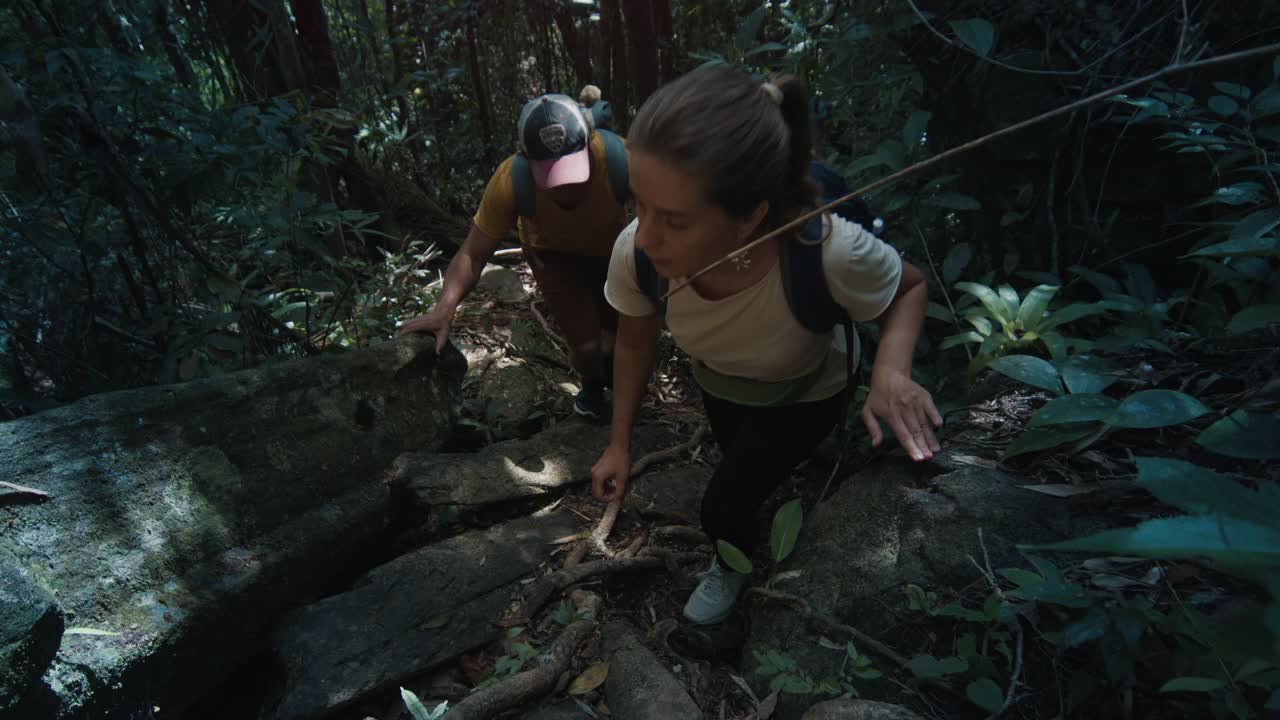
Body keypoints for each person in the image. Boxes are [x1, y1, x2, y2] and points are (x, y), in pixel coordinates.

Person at [589, 65, 943, 625]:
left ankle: (731, 564)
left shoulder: (825, 250)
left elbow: (911, 286)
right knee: (742, 462)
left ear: (750, 217)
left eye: (676, 222)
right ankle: (768, 485)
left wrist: (891, 373)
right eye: (640, 205)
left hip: (806, 395)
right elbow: (634, 342)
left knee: (723, 504)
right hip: (721, 386)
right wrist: (619, 445)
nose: (648, 235)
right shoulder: (638, 252)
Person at [399, 93, 629, 418]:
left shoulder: (622, 159)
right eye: (551, 175)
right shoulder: (511, 180)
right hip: (555, 257)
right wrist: (443, 310)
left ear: (590, 144)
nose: (565, 188)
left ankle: (624, 390)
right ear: (527, 158)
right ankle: (593, 388)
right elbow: (472, 254)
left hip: (614, 250)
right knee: (588, 349)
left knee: (620, 338)